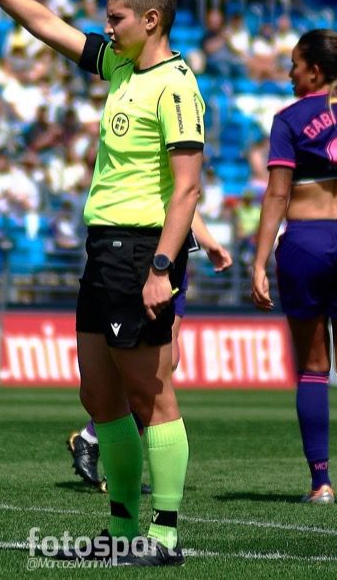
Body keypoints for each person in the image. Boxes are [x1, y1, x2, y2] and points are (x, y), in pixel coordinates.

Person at [0, 0, 202, 566]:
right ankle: (122, 531)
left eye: (117, 18)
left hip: (141, 250)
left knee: (151, 396)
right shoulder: (121, 66)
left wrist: (162, 268)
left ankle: (163, 536)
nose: (106, 28)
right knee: (98, 396)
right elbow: (43, 23)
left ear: (151, 20)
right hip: (102, 247)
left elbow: (187, 189)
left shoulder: (176, 86)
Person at [250, 29, 337, 505]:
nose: (289, 74)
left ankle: (321, 483)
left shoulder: (289, 119)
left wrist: (259, 261)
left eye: (294, 65)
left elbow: (277, 195)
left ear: (314, 70)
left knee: (313, 368)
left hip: (306, 242)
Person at [66, 211, 232, 492]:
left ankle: (92, 439)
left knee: (166, 363)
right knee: (140, 375)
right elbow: (180, 197)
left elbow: (185, 204)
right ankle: (100, 449)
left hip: (176, 262)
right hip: (150, 258)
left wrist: (208, 243)